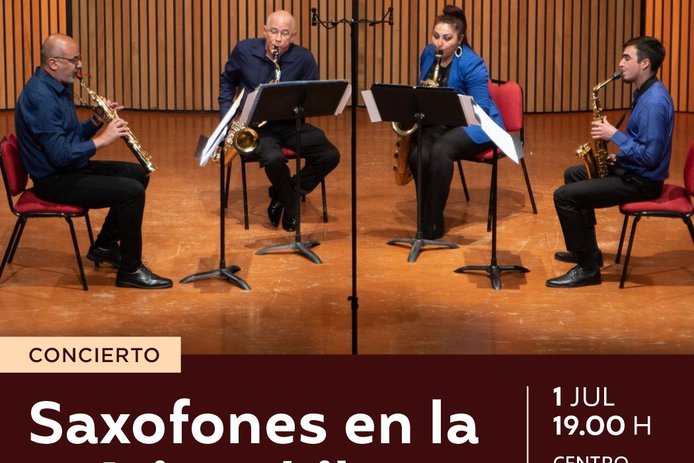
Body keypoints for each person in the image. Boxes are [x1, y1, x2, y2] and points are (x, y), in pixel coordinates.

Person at [14, 33, 173, 289]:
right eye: (74, 60)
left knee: (138, 173)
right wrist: (102, 140)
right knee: (131, 192)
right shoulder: (41, 98)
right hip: (54, 180)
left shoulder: (59, 87)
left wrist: (95, 121)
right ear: (53, 63)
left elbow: (71, 136)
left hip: (69, 168)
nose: (79, 65)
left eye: (79, 59)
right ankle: (130, 270)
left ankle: (105, 246)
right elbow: (59, 155)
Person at [547, 36, 674, 288]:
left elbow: (651, 157)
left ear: (645, 63)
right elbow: (642, 145)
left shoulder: (654, 102)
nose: (620, 64)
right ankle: (588, 251)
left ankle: (588, 269)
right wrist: (620, 156)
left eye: (627, 58)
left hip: (642, 182)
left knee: (564, 196)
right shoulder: (645, 93)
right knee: (573, 175)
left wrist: (614, 135)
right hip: (633, 170)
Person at [219, 10, 340, 232]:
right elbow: (227, 81)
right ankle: (292, 204)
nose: (277, 38)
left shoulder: (304, 58)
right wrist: (226, 117)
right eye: (273, 31)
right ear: (265, 31)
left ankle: (283, 194)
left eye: (284, 33)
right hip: (255, 128)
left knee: (330, 155)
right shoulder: (244, 50)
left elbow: (312, 98)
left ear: (293, 36)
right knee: (273, 158)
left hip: (289, 125)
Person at [407, 5, 504, 240]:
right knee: (418, 154)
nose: (439, 43)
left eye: (447, 38)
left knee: (441, 150)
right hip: (442, 122)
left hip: (478, 124)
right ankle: (424, 218)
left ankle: (434, 222)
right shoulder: (428, 54)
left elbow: (480, 110)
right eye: (436, 36)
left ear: (459, 39)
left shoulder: (473, 63)